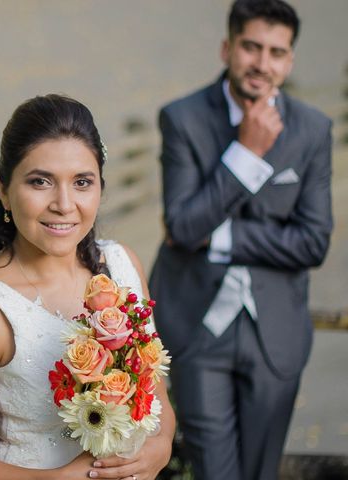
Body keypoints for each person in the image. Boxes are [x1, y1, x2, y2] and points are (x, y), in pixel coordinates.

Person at [0, 94, 175, 480]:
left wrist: (160, 446)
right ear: (4, 191)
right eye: (40, 181)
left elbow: (156, 394)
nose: (64, 204)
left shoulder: (123, 266)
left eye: (82, 182)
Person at [149, 1, 333, 479]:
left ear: (289, 61)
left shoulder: (313, 131)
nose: (262, 63)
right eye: (251, 47)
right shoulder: (182, 119)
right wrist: (246, 153)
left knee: (260, 471)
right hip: (197, 328)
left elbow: (313, 243)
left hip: (276, 332)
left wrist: (222, 236)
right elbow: (184, 227)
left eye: (276, 52)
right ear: (228, 48)